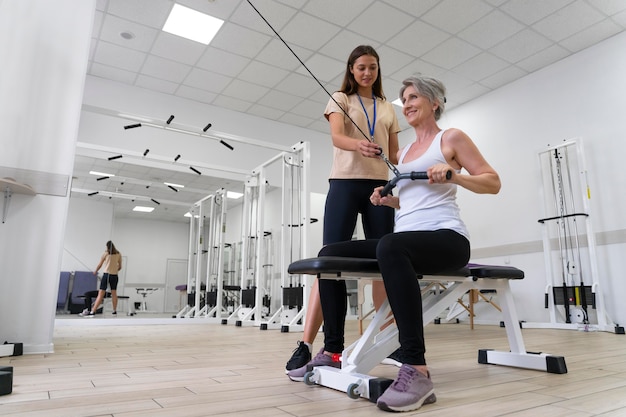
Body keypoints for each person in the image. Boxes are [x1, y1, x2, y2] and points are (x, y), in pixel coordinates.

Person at [290, 74, 501, 413]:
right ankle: (331, 352)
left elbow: (492, 182)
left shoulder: (451, 138)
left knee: (389, 243)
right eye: (405, 98)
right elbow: (411, 204)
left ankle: (416, 369)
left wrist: (454, 174)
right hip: (409, 241)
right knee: (330, 253)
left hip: (448, 239)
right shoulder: (402, 155)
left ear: (435, 102)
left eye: (415, 96)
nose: (409, 103)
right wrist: (389, 202)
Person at [285, 45, 400, 372]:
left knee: (386, 262)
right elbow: (337, 137)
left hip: (379, 185)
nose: (367, 73)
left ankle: (390, 341)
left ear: (378, 71)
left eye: (373, 68)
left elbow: (395, 153)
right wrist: (359, 144)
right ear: (351, 69)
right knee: (329, 262)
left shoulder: (388, 108)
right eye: (361, 67)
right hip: (345, 183)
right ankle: (319, 345)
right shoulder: (340, 98)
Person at [80, 241, 122, 317]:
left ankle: (93, 311)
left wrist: (95, 271)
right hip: (114, 276)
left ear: (107, 247)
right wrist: (114, 270)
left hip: (106, 275)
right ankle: (114, 310)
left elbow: (100, 264)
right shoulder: (118, 254)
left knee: (101, 293)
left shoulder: (105, 254)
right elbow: (120, 267)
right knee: (114, 293)